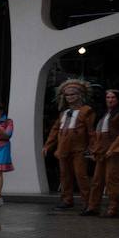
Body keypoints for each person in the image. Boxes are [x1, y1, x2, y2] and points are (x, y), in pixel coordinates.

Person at [42, 79, 96, 210]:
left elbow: (91, 131)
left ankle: (87, 203)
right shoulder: (64, 113)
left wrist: (92, 148)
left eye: (73, 94)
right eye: (67, 95)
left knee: (81, 175)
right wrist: (47, 145)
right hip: (63, 149)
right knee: (64, 175)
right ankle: (67, 200)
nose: (70, 97)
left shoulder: (86, 111)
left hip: (79, 149)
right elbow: (55, 130)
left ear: (80, 95)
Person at [85, 89, 119, 216]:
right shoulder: (104, 114)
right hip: (101, 150)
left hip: (114, 151)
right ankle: (93, 207)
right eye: (108, 97)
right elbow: (98, 133)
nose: (110, 100)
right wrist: (94, 150)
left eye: (113, 97)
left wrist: (112, 148)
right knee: (97, 180)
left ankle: (113, 209)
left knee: (112, 180)